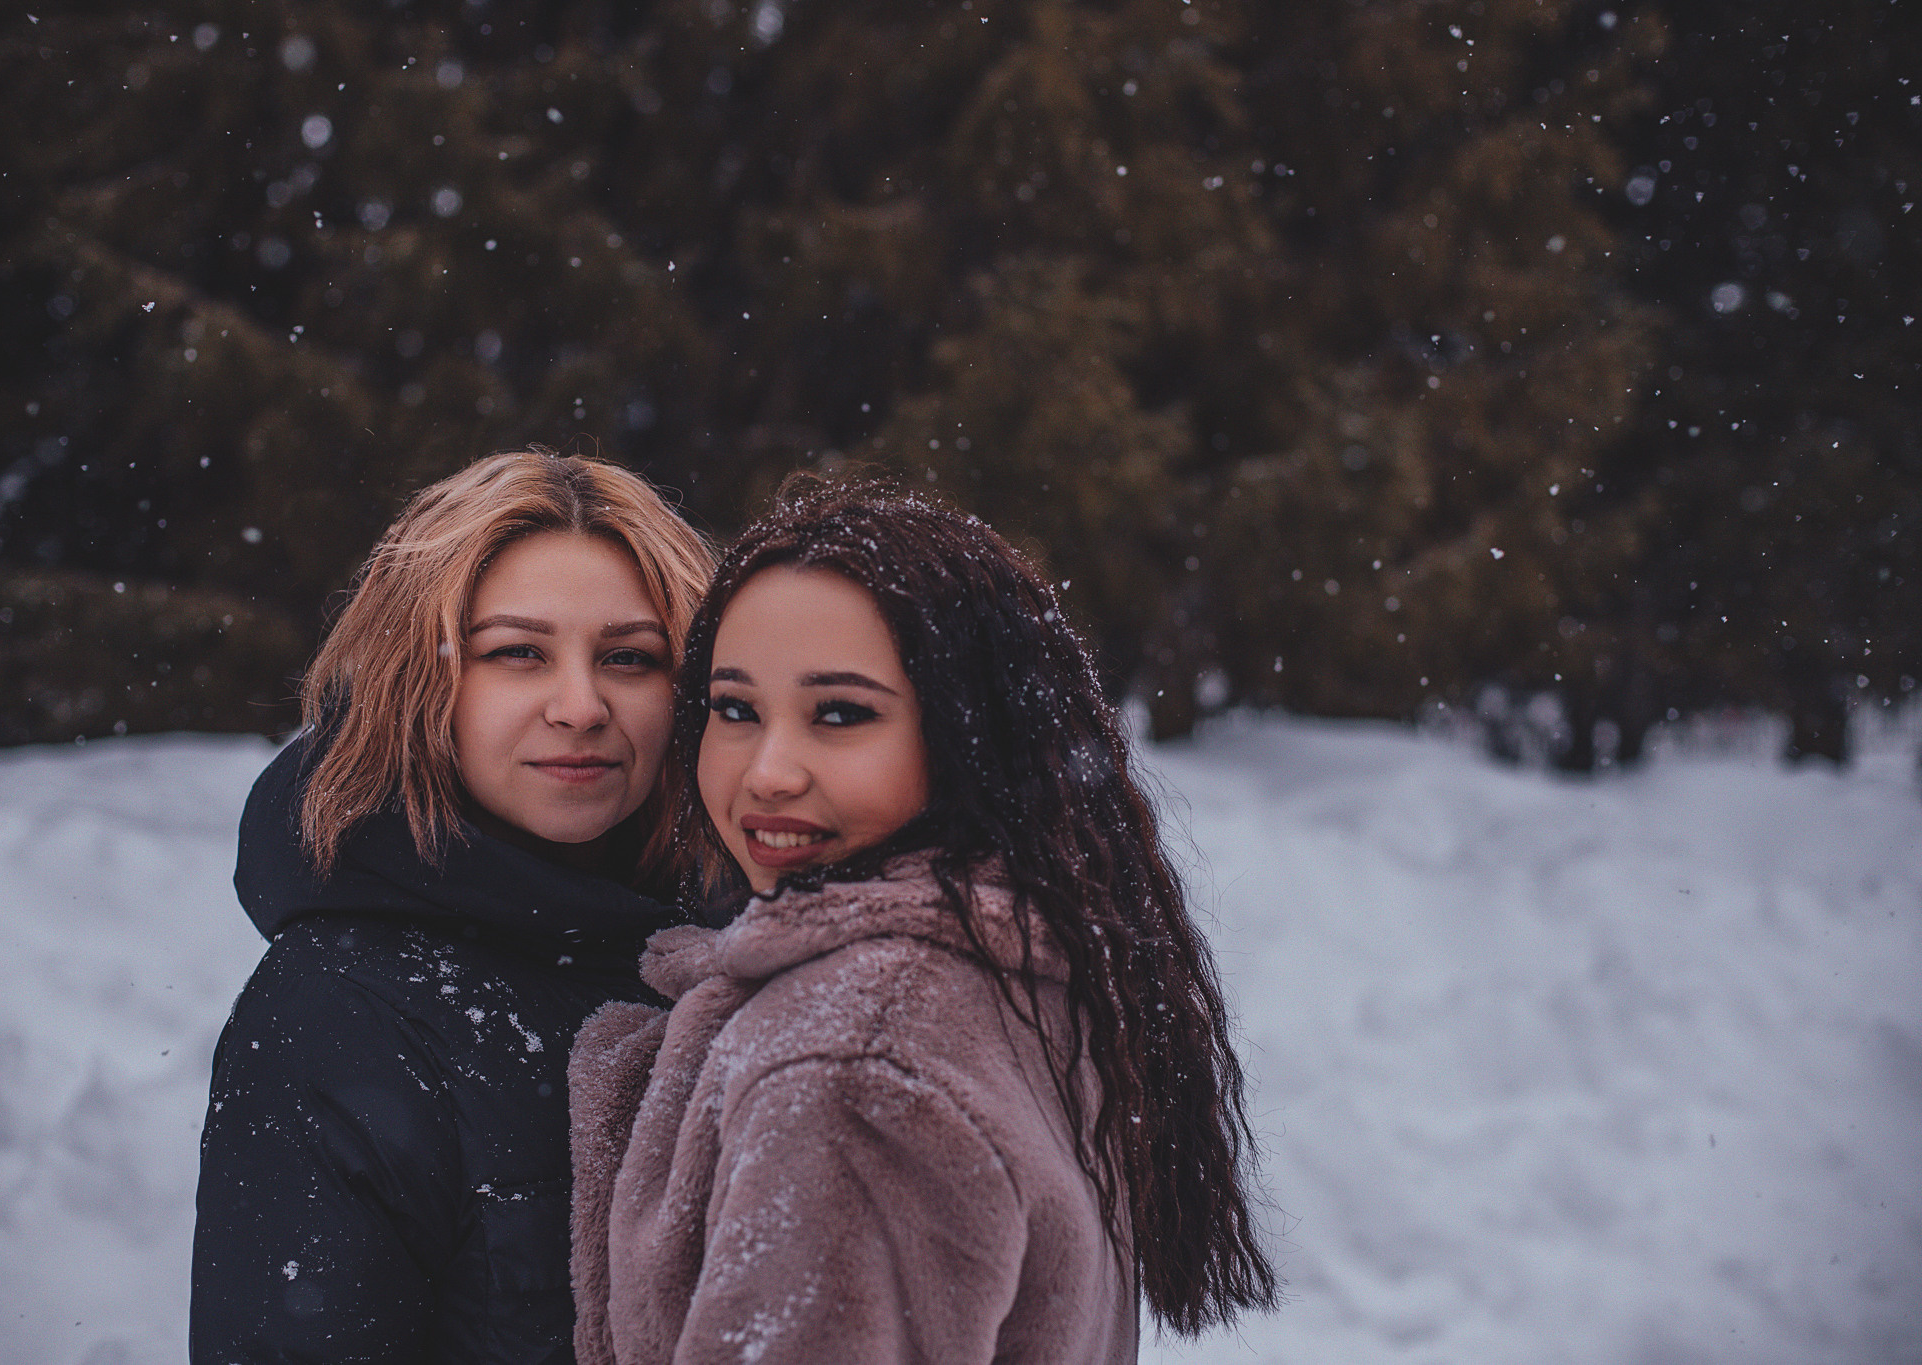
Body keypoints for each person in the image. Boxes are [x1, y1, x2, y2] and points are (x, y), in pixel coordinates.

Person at [568, 481, 1277, 1365]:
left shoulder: (851, 1062)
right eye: (736, 710)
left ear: (968, 734)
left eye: (841, 713)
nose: (768, 772)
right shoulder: (1018, 967)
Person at [191, 450, 713, 1364]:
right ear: (420, 681)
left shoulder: (741, 946)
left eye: (630, 658)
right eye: (519, 653)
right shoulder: (339, 1010)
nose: (582, 705)